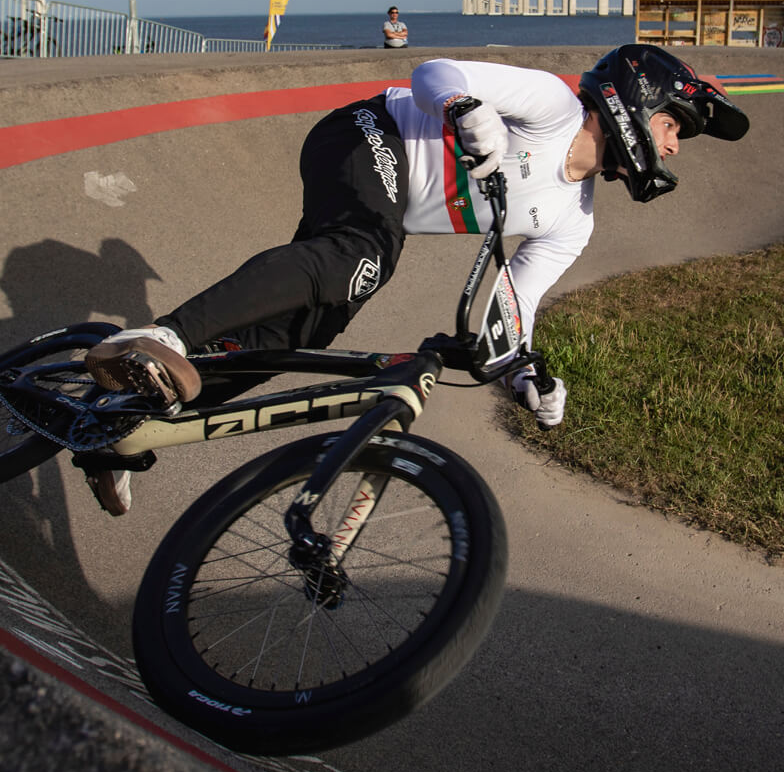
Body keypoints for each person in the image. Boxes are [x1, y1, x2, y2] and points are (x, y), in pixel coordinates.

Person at [82, 46, 750, 513]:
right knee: (358, 259)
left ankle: (133, 419)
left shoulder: (573, 223)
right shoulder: (552, 106)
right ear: (637, 100)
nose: (672, 147)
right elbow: (435, 71)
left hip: (385, 207)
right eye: (674, 126)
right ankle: (159, 333)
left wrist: (526, 376)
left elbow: (512, 311)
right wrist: (463, 107)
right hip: (367, 134)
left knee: (305, 328)